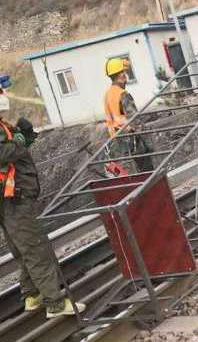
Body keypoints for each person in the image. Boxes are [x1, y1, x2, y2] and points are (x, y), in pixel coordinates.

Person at [0, 116, 85, 316]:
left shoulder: (2, 124)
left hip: (10, 199)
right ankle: (54, 303)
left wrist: (25, 136)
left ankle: (32, 294)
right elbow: (4, 152)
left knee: (23, 249)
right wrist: (20, 139)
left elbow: (14, 152)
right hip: (14, 199)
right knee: (35, 248)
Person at [104, 58, 153, 175]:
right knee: (147, 173)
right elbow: (135, 120)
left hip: (118, 142)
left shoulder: (108, 94)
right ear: (120, 75)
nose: (126, 77)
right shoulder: (123, 94)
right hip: (132, 142)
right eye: (124, 73)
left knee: (131, 176)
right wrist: (148, 143)